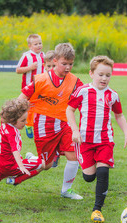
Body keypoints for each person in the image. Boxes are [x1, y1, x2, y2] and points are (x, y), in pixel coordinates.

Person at [66, 55, 127, 223]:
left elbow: (119, 116)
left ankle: (97, 209)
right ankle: (89, 169)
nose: (104, 78)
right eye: (100, 74)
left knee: (103, 171)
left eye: (108, 75)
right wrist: (75, 131)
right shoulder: (83, 91)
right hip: (84, 141)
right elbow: (69, 110)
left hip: (105, 140)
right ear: (91, 73)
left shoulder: (113, 95)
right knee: (89, 177)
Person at [18, 43, 84, 200]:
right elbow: (22, 97)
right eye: (64, 64)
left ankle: (66, 190)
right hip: (44, 124)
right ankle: (29, 162)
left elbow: (85, 96)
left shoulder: (75, 81)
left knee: (74, 156)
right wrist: (16, 116)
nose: (68, 67)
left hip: (65, 123)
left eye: (70, 64)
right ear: (55, 60)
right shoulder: (42, 79)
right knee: (46, 165)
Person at [0, 98, 46, 201]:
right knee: (43, 164)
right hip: (10, 166)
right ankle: (16, 180)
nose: (26, 122)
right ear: (12, 121)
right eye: (23, 120)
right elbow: (15, 151)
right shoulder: (13, 133)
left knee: (5, 168)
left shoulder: (4, 124)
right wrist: (21, 166)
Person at [16, 34, 44, 139]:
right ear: (30, 46)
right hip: (28, 87)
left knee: (39, 106)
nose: (38, 45)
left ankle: (37, 125)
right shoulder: (27, 56)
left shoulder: (43, 55)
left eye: (40, 43)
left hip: (40, 86)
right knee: (28, 106)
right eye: (35, 44)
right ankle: (28, 124)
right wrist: (30, 67)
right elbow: (18, 70)